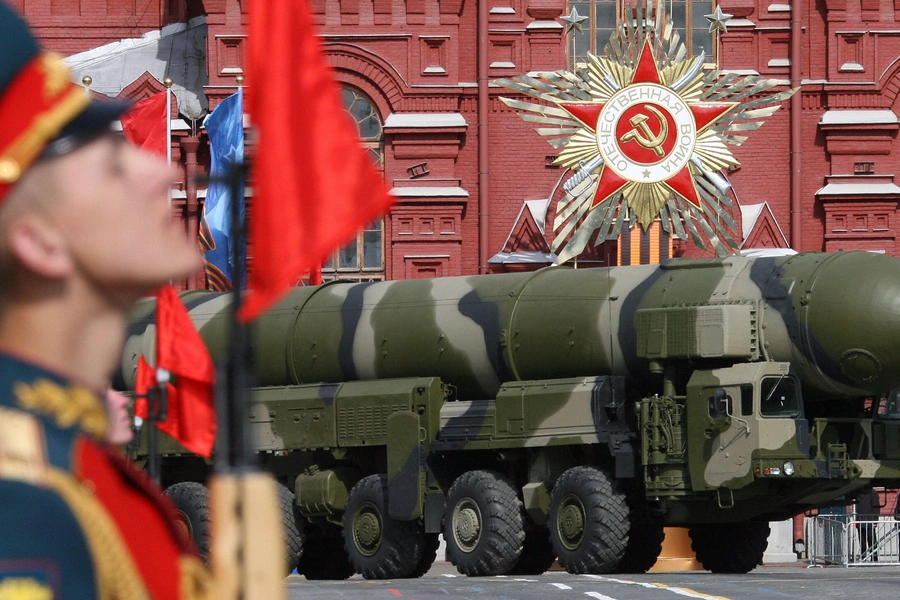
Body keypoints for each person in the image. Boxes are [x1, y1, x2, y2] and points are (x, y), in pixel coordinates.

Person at [0, 3, 213, 598]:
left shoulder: (83, 474)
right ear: (40, 242)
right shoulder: (28, 505)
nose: (164, 177)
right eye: (115, 164)